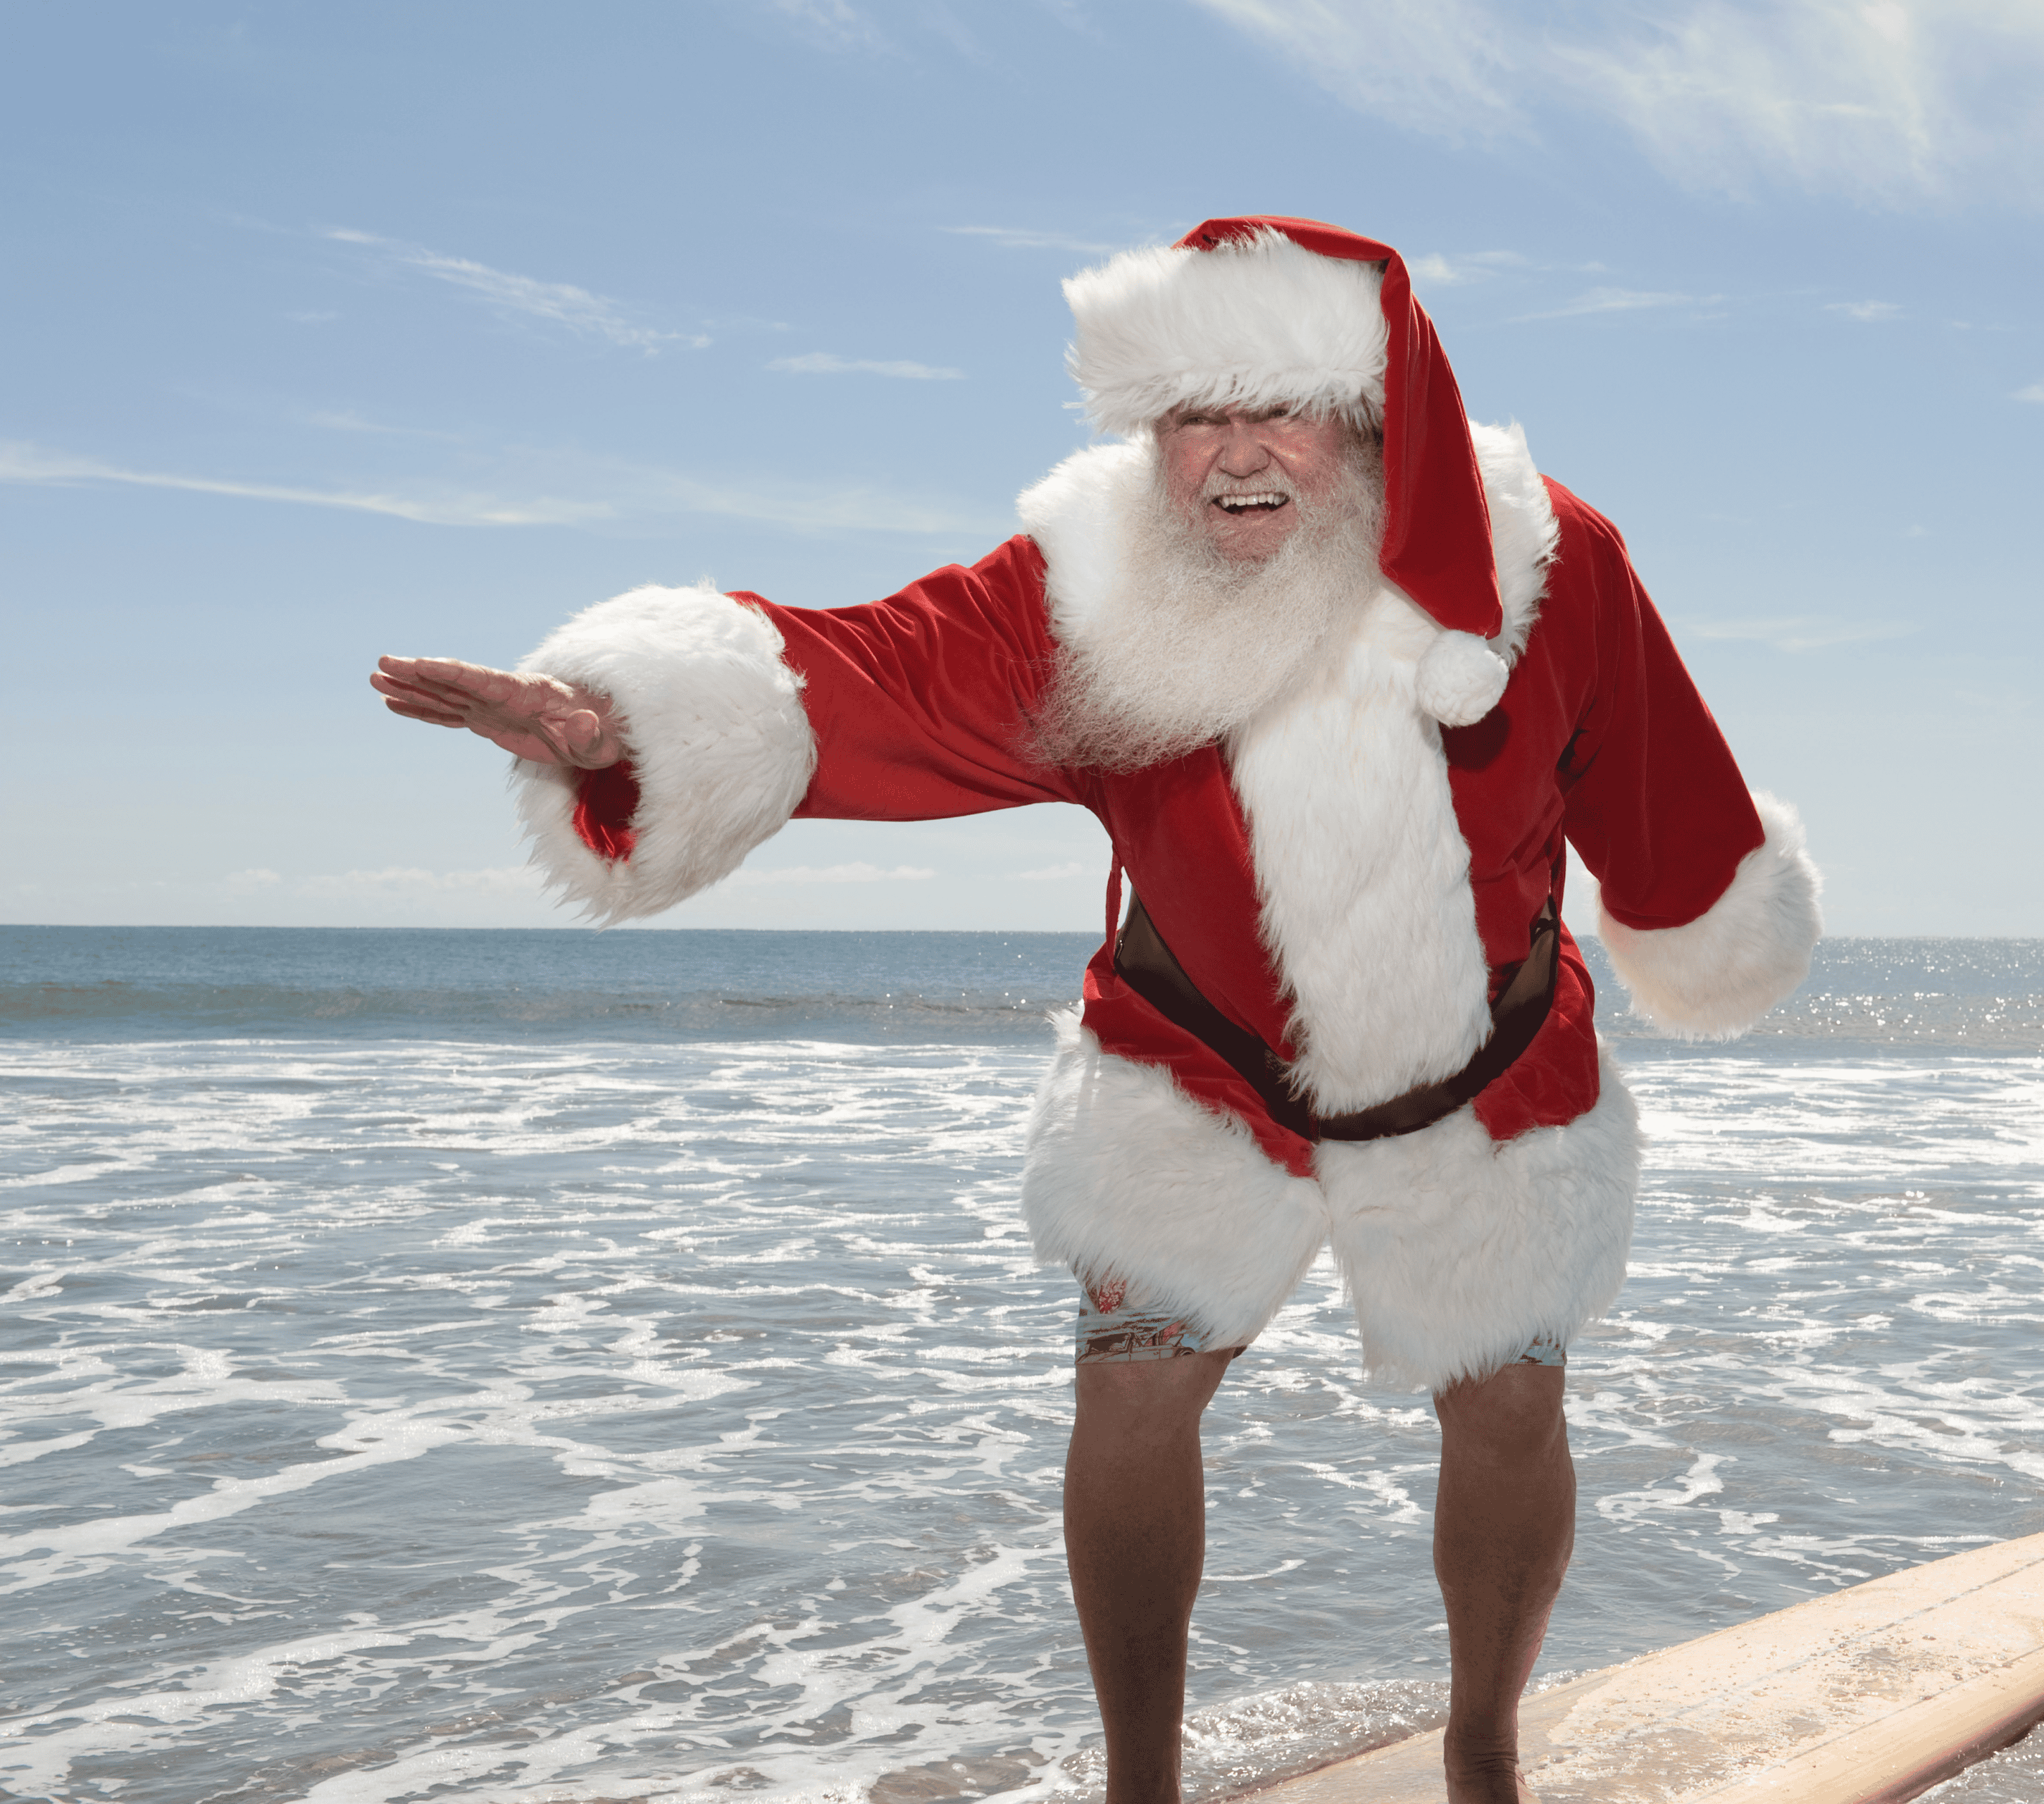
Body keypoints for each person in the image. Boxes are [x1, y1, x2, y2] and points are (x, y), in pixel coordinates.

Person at [370, 216, 1821, 1804]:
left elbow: (1669, 797)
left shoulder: (1552, 562)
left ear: (1366, 414)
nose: (1237, 456)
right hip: (1196, 1057)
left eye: (1277, 407)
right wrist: (624, 721)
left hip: (1482, 1065)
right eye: (1196, 416)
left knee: (1512, 1396)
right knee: (1133, 1381)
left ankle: (1481, 1740)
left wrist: (1703, 928)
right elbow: (873, 672)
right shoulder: (1090, 593)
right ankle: (1143, 1780)